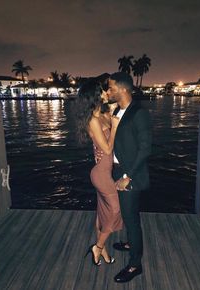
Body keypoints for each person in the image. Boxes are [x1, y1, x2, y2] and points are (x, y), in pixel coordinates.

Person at [107, 72, 151, 283]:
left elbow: (145, 149)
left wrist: (127, 177)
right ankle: (130, 243)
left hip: (130, 175)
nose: (108, 91)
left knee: (132, 220)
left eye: (111, 88)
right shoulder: (118, 110)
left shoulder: (138, 113)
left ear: (123, 89)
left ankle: (135, 265)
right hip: (119, 170)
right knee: (128, 214)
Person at [75, 80, 123, 266]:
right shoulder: (93, 121)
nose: (105, 92)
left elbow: (119, 106)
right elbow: (108, 149)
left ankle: (103, 252)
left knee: (102, 212)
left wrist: (112, 113)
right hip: (101, 175)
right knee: (115, 209)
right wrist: (116, 127)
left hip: (104, 171)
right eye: (102, 91)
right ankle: (99, 246)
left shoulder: (102, 114)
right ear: (95, 96)